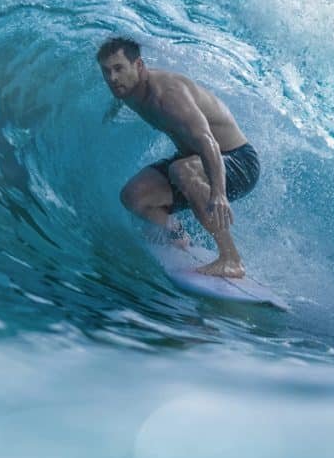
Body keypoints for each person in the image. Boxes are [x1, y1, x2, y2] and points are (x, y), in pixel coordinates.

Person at [97, 36, 260, 278]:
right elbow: (119, 90)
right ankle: (177, 235)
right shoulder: (127, 90)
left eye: (119, 68)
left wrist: (218, 193)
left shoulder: (168, 95)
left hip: (237, 161)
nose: (112, 78)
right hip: (195, 160)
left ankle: (231, 259)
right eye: (107, 71)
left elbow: (208, 141)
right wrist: (112, 111)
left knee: (181, 170)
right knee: (133, 196)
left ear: (139, 66)